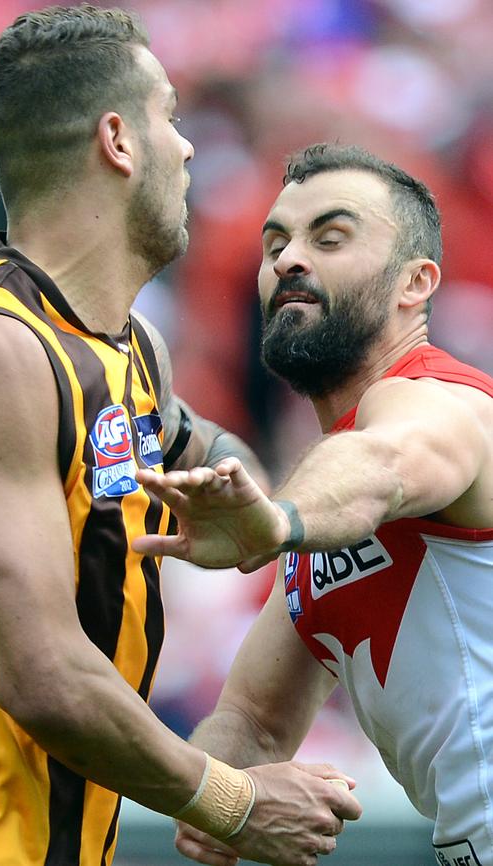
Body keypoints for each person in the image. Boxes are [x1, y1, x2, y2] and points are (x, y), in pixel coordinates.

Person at [0, 12, 362, 866]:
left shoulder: (127, 348)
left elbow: (209, 448)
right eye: (170, 116)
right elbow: (43, 675)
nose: (189, 150)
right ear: (118, 140)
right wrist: (233, 799)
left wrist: (254, 506)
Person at [134, 142, 493, 866]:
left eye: (330, 238)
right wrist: (216, 799)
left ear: (415, 283)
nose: (287, 261)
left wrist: (277, 520)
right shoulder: (314, 533)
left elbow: (384, 462)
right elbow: (250, 723)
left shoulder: (443, 404)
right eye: (276, 242)